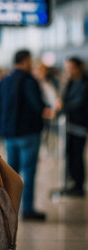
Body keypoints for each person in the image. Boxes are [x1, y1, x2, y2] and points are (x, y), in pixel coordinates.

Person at [0, 49, 51, 221]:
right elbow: (36, 105)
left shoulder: (4, 81)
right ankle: (28, 209)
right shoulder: (29, 81)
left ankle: (8, 207)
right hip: (28, 133)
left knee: (11, 173)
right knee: (29, 172)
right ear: (26, 61)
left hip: (9, 134)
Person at [57, 57, 88, 196]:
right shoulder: (69, 83)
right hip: (69, 125)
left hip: (79, 125)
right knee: (69, 154)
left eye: (71, 68)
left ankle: (78, 185)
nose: (68, 71)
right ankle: (73, 182)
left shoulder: (84, 83)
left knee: (76, 155)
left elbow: (80, 102)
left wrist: (63, 107)